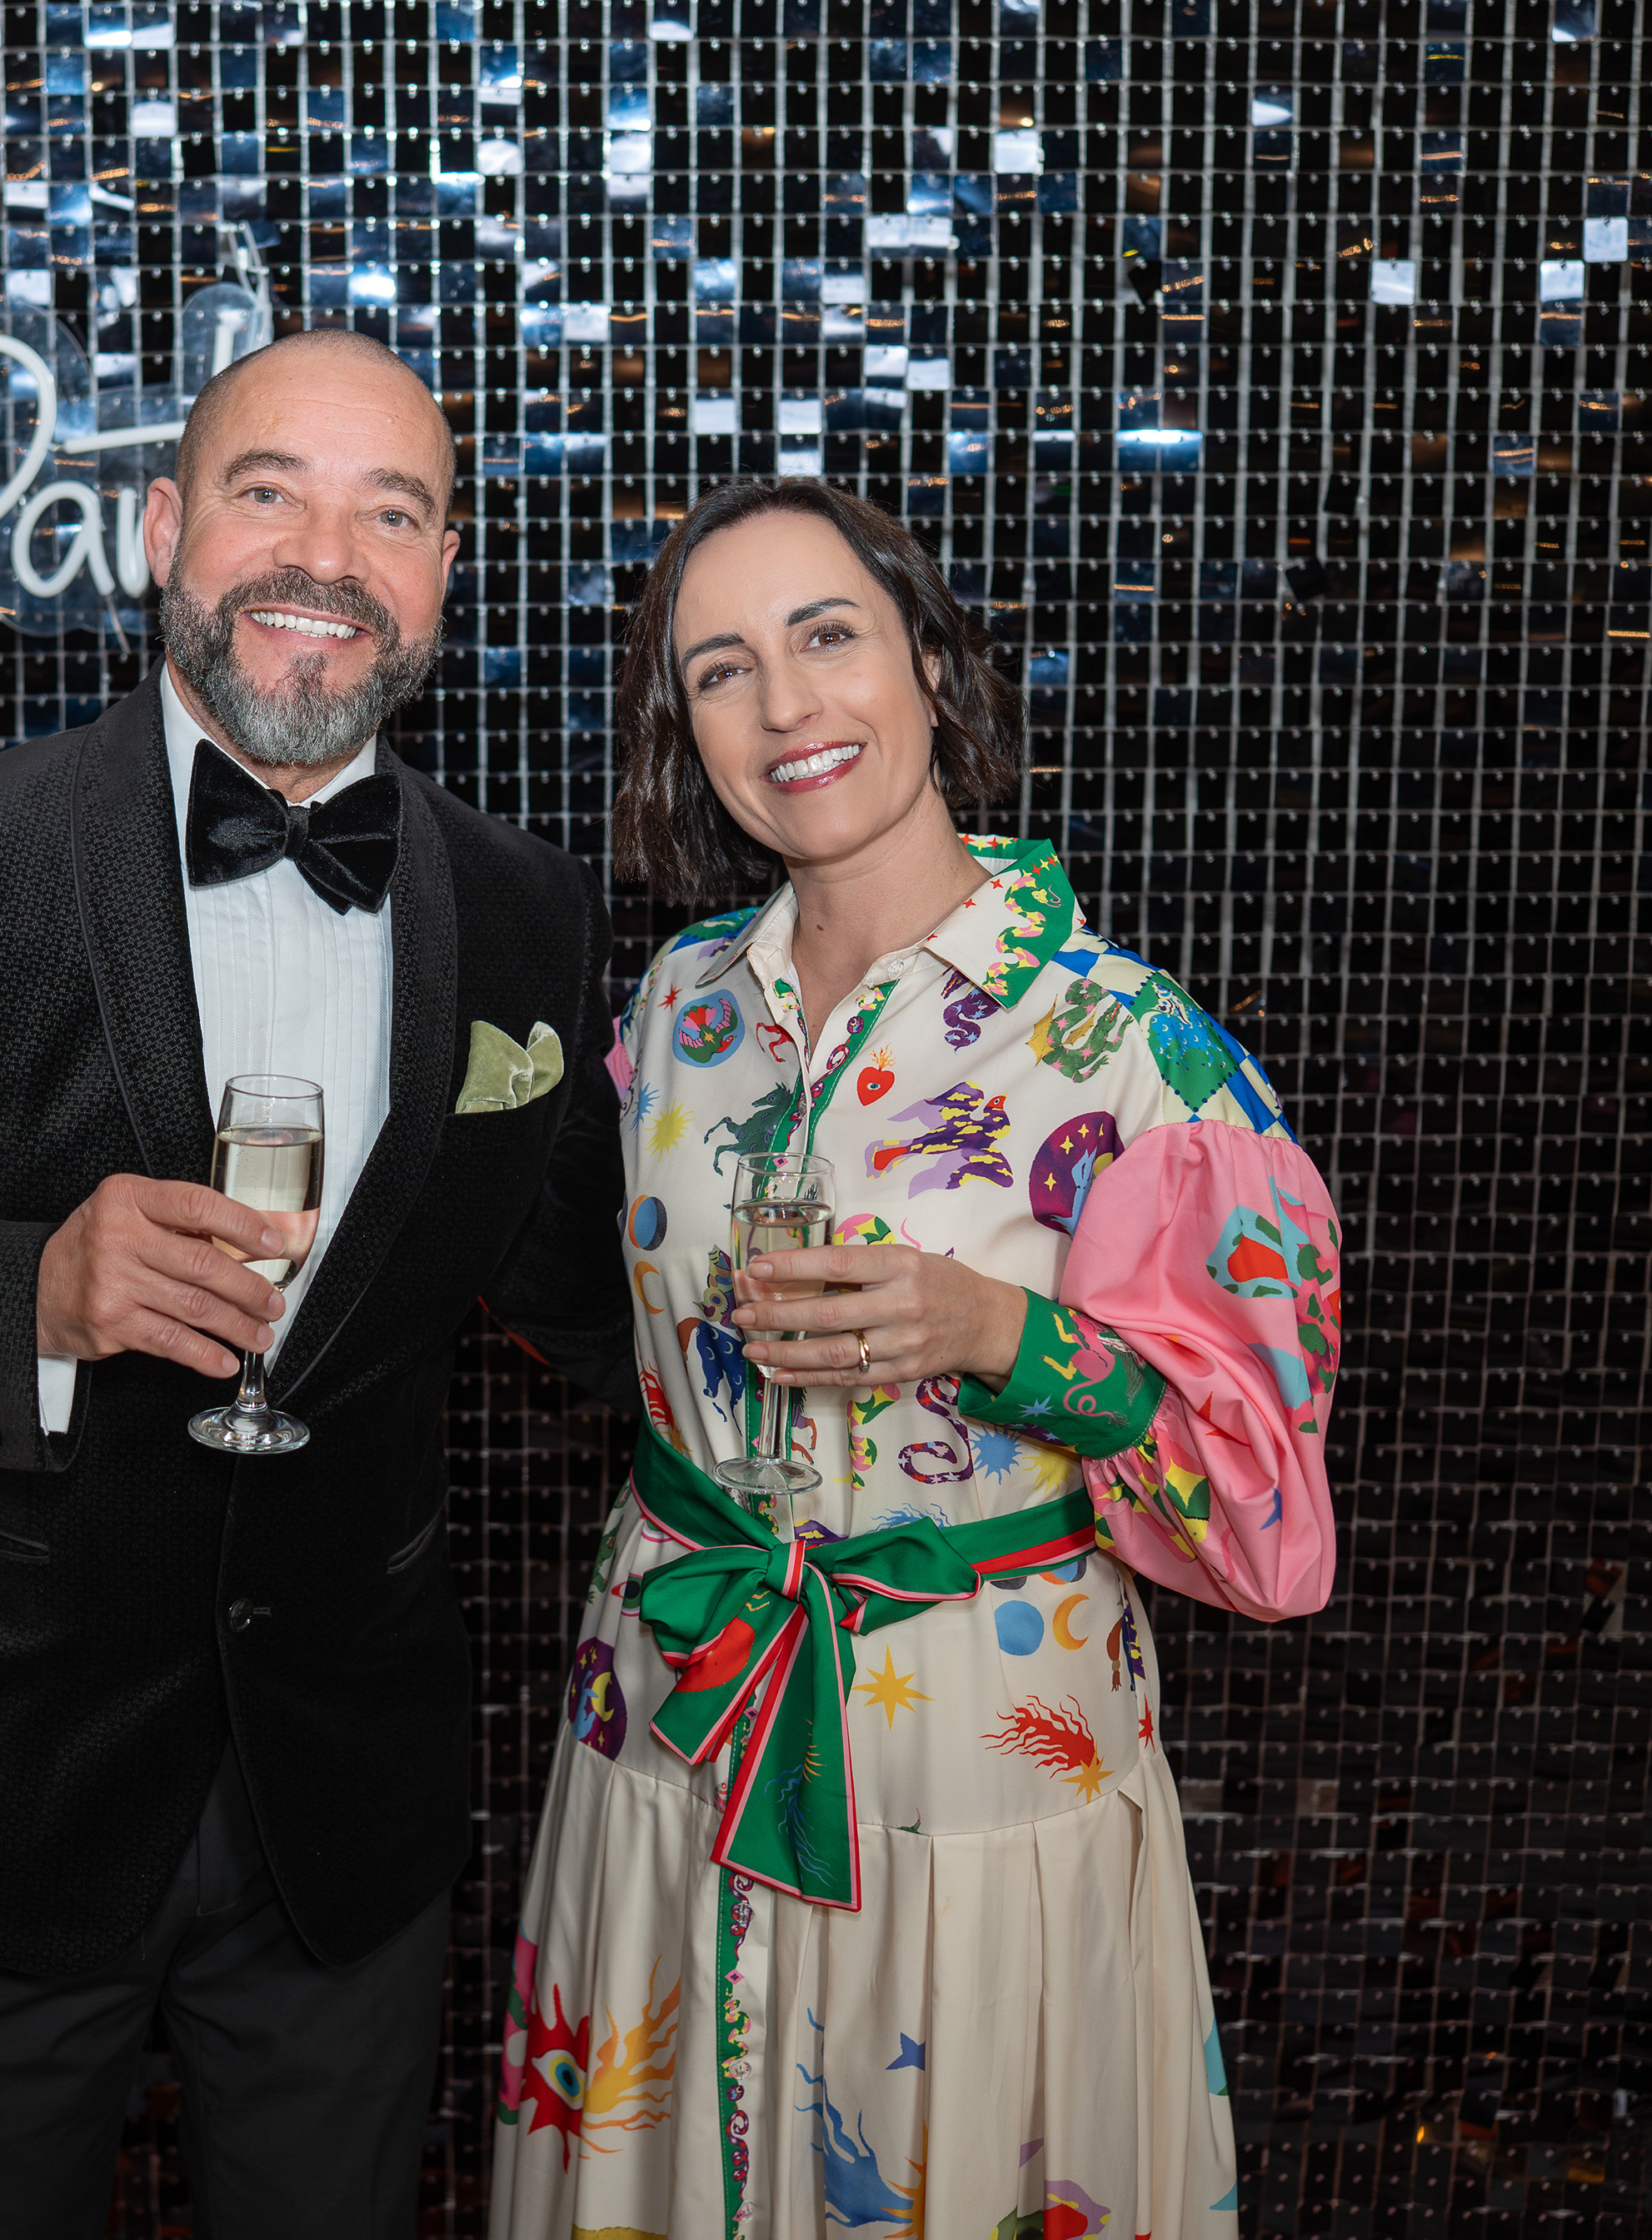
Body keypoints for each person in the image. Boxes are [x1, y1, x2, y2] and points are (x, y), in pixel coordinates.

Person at [0, 326, 632, 2239]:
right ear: (167, 530)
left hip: (342, 1829)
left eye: (390, 513)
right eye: (271, 492)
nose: (325, 556)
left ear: (444, 570)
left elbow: (584, 1288)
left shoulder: (526, 907)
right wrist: (28, 1297)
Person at [492, 481, 1340, 2239]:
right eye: (721, 669)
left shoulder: (1133, 1049)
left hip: (977, 1784)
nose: (786, 705)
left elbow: (1264, 1517)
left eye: (829, 637)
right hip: (668, 1725)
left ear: (932, 671)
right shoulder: (672, 1012)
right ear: (686, 734)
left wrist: (1000, 1335)